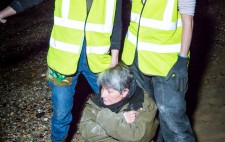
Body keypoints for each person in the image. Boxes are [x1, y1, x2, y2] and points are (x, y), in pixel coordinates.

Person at [46, 0, 123, 141]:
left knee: (117, 104)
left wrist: (115, 57)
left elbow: (117, 23)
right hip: (61, 63)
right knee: (61, 113)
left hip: (98, 60)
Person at [121, 0, 196, 141]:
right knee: (144, 114)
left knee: (173, 120)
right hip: (135, 60)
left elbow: (188, 20)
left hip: (166, 65)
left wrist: (182, 59)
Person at [76, 63, 158, 142]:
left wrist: (103, 117)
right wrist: (120, 118)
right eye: (102, 88)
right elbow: (88, 133)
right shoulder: (96, 101)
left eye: (109, 91)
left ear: (124, 92)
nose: (102, 95)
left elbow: (138, 137)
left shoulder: (142, 103)